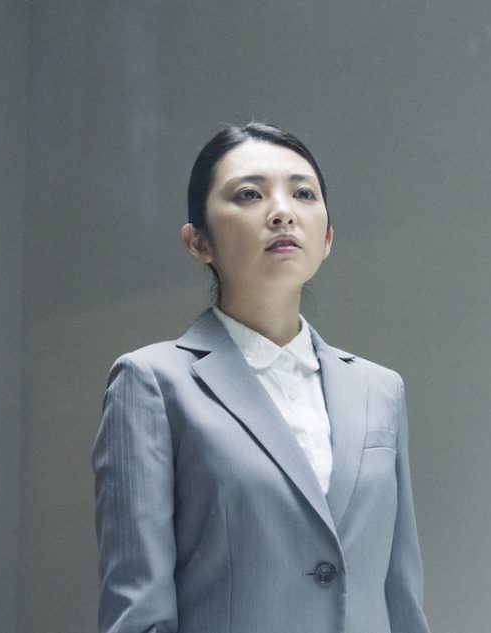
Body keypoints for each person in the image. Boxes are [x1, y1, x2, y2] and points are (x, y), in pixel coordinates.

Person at [92, 122, 431, 633]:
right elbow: (139, 616)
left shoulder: (380, 390)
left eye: (303, 194)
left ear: (328, 237)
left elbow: (400, 598)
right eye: (249, 194)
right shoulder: (152, 384)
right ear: (197, 241)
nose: (282, 212)